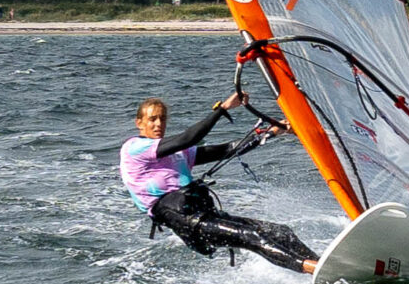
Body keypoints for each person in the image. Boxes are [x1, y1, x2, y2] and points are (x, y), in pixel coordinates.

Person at [122, 91, 320, 274]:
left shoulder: (179, 152)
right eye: (152, 119)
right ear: (139, 123)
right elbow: (188, 138)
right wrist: (222, 109)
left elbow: (228, 149)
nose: (158, 124)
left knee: (281, 232)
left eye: (162, 118)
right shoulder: (135, 147)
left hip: (204, 213)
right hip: (185, 221)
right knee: (251, 236)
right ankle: (314, 269)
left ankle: (320, 264)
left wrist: (272, 132)